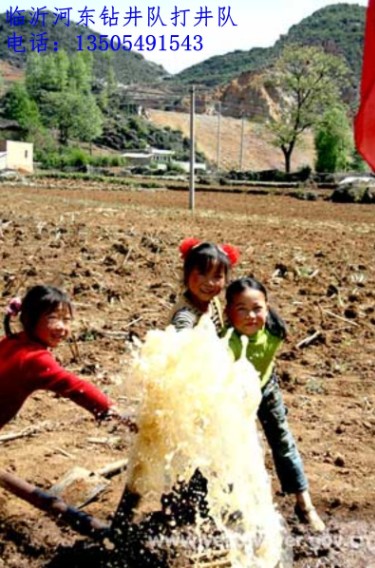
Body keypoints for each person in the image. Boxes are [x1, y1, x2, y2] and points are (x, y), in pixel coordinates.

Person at [224, 276, 325, 532]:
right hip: (236, 398)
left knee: (283, 442)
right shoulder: (228, 343)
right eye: (241, 309)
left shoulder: (274, 330)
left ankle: (305, 505)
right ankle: (238, 511)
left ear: (267, 308)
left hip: (267, 389)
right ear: (228, 312)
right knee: (237, 450)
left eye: (257, 308)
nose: (250, 316)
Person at [0, 284, 135, 431]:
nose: (61, 327)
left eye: (66, 320)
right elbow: (75, 387)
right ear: (30, 318)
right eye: (53, 318)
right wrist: (114, 412)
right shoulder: (35, 359)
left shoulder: (12, 341)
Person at [169, 238, 240, 332]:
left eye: (217, 276)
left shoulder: (213, 302)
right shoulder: (184, 318)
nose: (209, 283)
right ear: (187, 273)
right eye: (202, 274)